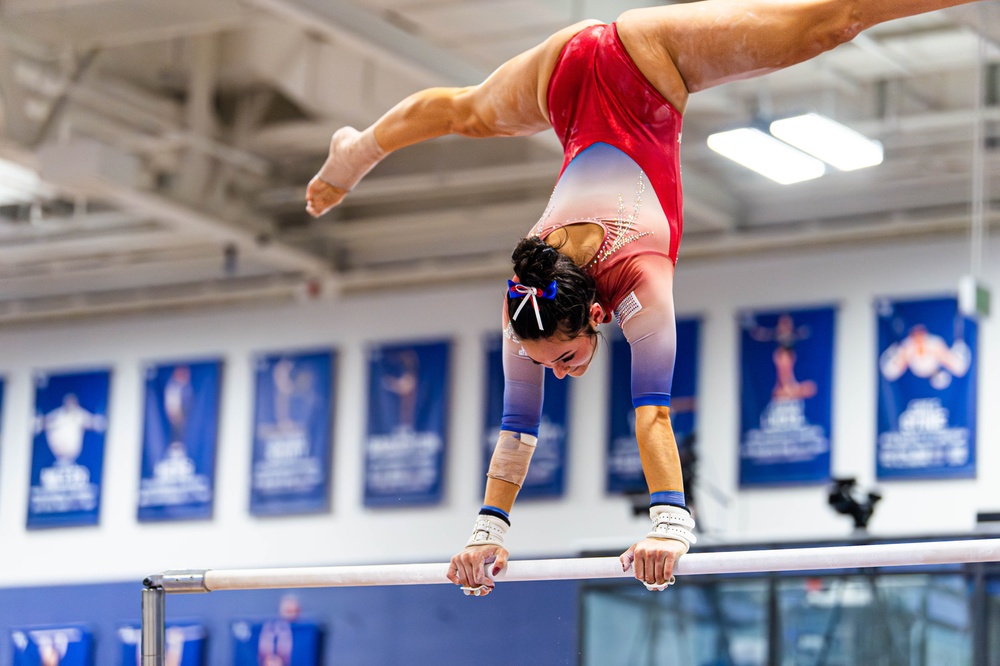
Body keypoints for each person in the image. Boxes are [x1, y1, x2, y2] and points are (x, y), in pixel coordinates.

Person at [305, 0, 982, 595]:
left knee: (830, 23)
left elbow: (653, 415)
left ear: (598, 315)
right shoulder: (527, 304)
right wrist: (487, 534)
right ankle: (355, 150)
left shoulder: (641, 273)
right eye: (550, 365)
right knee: (466, 111)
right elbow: (517, 429)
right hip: (560, 76)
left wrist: (669, 523)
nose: (560, 372)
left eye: (564, 359)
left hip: (645, 57)